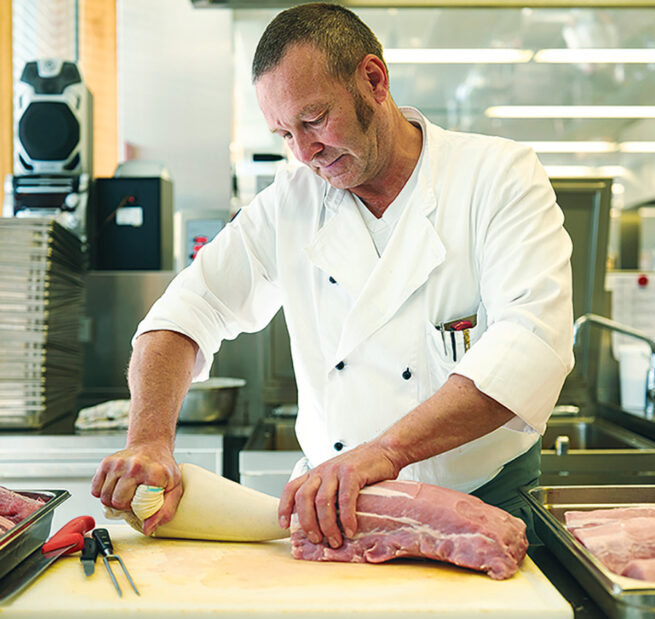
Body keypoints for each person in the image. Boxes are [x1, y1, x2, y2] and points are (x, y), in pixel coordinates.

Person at [91, 3, 574, 546]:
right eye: (284, 133)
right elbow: (186, 311)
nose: (304, 152)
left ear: (373, 79)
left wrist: (386, 452)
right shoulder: (290, 202)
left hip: (479, 504)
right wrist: (150, 439)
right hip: (332, 512)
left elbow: (532, 344)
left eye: (315, 119)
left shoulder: (497, 178)